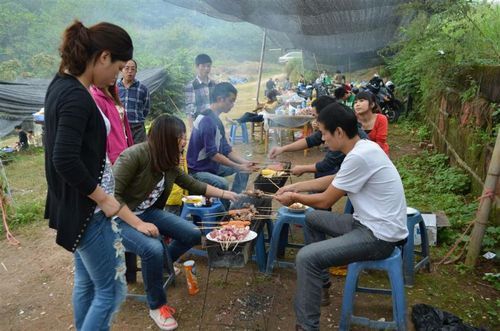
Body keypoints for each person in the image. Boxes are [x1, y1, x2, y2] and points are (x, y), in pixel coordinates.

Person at [44, 20, 159, 331]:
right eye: (119, 66)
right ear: (104, 57)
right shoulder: (77, 97)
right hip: (88, 212)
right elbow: (64, 160)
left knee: (87, 284)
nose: (117, 75)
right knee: (111, 290)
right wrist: (105, 200)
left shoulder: (60, 85)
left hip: (73, 206)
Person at [274, 103, 408, 331]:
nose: (323, 139)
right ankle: (322, 283)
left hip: (380, 237)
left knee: (306, 257)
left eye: (325, 133)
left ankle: (307, 327)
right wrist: (293, 189)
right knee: (312, 218)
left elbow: (326, 200)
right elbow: (334, 180)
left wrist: (295, 196)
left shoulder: (359, 156)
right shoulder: (362, 148)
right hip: (365, 224)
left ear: (339, 132)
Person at [113, 114, 237, 330]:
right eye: (180, 137)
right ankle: (157, 306)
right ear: (164, 138)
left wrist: (228, 195)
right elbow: (112, 197)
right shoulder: (133, 156)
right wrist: (138, 224)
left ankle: (163, 264)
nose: (184, 141)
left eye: (184, 136)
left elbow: (194, 184)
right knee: (152, 249)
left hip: (148, 212)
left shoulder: (168, 162)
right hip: (119, 218)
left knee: (191, 233)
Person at [187, 82, 255, 209]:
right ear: (220, 99)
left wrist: (245, 163)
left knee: (244, 170)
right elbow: (213, 154)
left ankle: (235, 202)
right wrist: (237, 166)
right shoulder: (206, 120)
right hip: (197, 170)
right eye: (231, 101)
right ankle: (224, 217)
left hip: (211, 166)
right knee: (222, 183)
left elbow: (226, 149)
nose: (232, 105)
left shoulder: (216, 120)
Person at [268, 96, 367, 178]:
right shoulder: (334, 126)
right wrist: (282, 149)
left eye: (316, 116)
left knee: (322, 173)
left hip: (361, 183)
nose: (323, 139)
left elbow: (327, 165)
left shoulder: (343, 139)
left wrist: (302, 169)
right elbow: (310, 140)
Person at [90, 81, 134, 164]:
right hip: (112, 152)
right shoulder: (96, 98)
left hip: (123, 143)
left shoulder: (113, 93)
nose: (114, 74)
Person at [117, 59, 150, 143]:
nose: (130, 71)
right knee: (121, 153)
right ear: (121, 70)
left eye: (133, 69)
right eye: (127, 68)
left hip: (137, 128)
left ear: (136, 71)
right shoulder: (114, 87)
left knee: (138, 154)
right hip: (119, 127)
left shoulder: (143, 89)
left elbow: (146, 109)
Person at [184, 54, 216, 130]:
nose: (206, 69)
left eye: (208, 66)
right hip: (199, 124)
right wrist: (192, 128)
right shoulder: (191, 86)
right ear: (197, 66)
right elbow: (189, 109)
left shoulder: (213, 84)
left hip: (213, 122)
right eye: (203, 66)